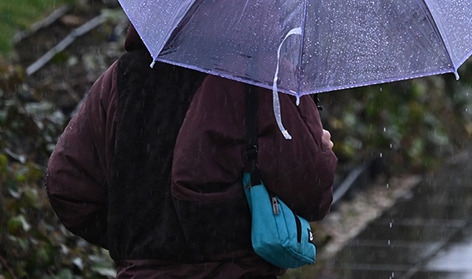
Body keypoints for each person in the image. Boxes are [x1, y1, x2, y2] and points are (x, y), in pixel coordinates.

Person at [45, 25, 337, 278]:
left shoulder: (124, 77)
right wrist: (320, 148)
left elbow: (67, 185)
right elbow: (312, 191)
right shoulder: (260, 75)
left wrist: (139, 245)